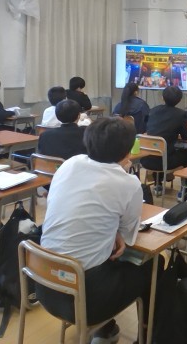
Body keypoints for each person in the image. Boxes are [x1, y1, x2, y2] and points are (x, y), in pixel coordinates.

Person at [40, 117, 159, 343]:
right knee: (152, 264)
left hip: (44, 283)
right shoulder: (128, 183)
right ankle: (147, 334)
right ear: (127, 152)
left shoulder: (69, 164)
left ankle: (105, 330)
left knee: (101, 255)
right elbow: (129, 235)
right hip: (85, 299)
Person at [140, 86, 187, 193]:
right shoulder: (181, 114)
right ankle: (185, 191)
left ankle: (158, 184)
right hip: (166, 162)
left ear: (162, 97)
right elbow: (186, 136)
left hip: (146, 159)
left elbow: (146, 128)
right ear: (179, 100)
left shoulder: (152, 111)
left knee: (158, 149)